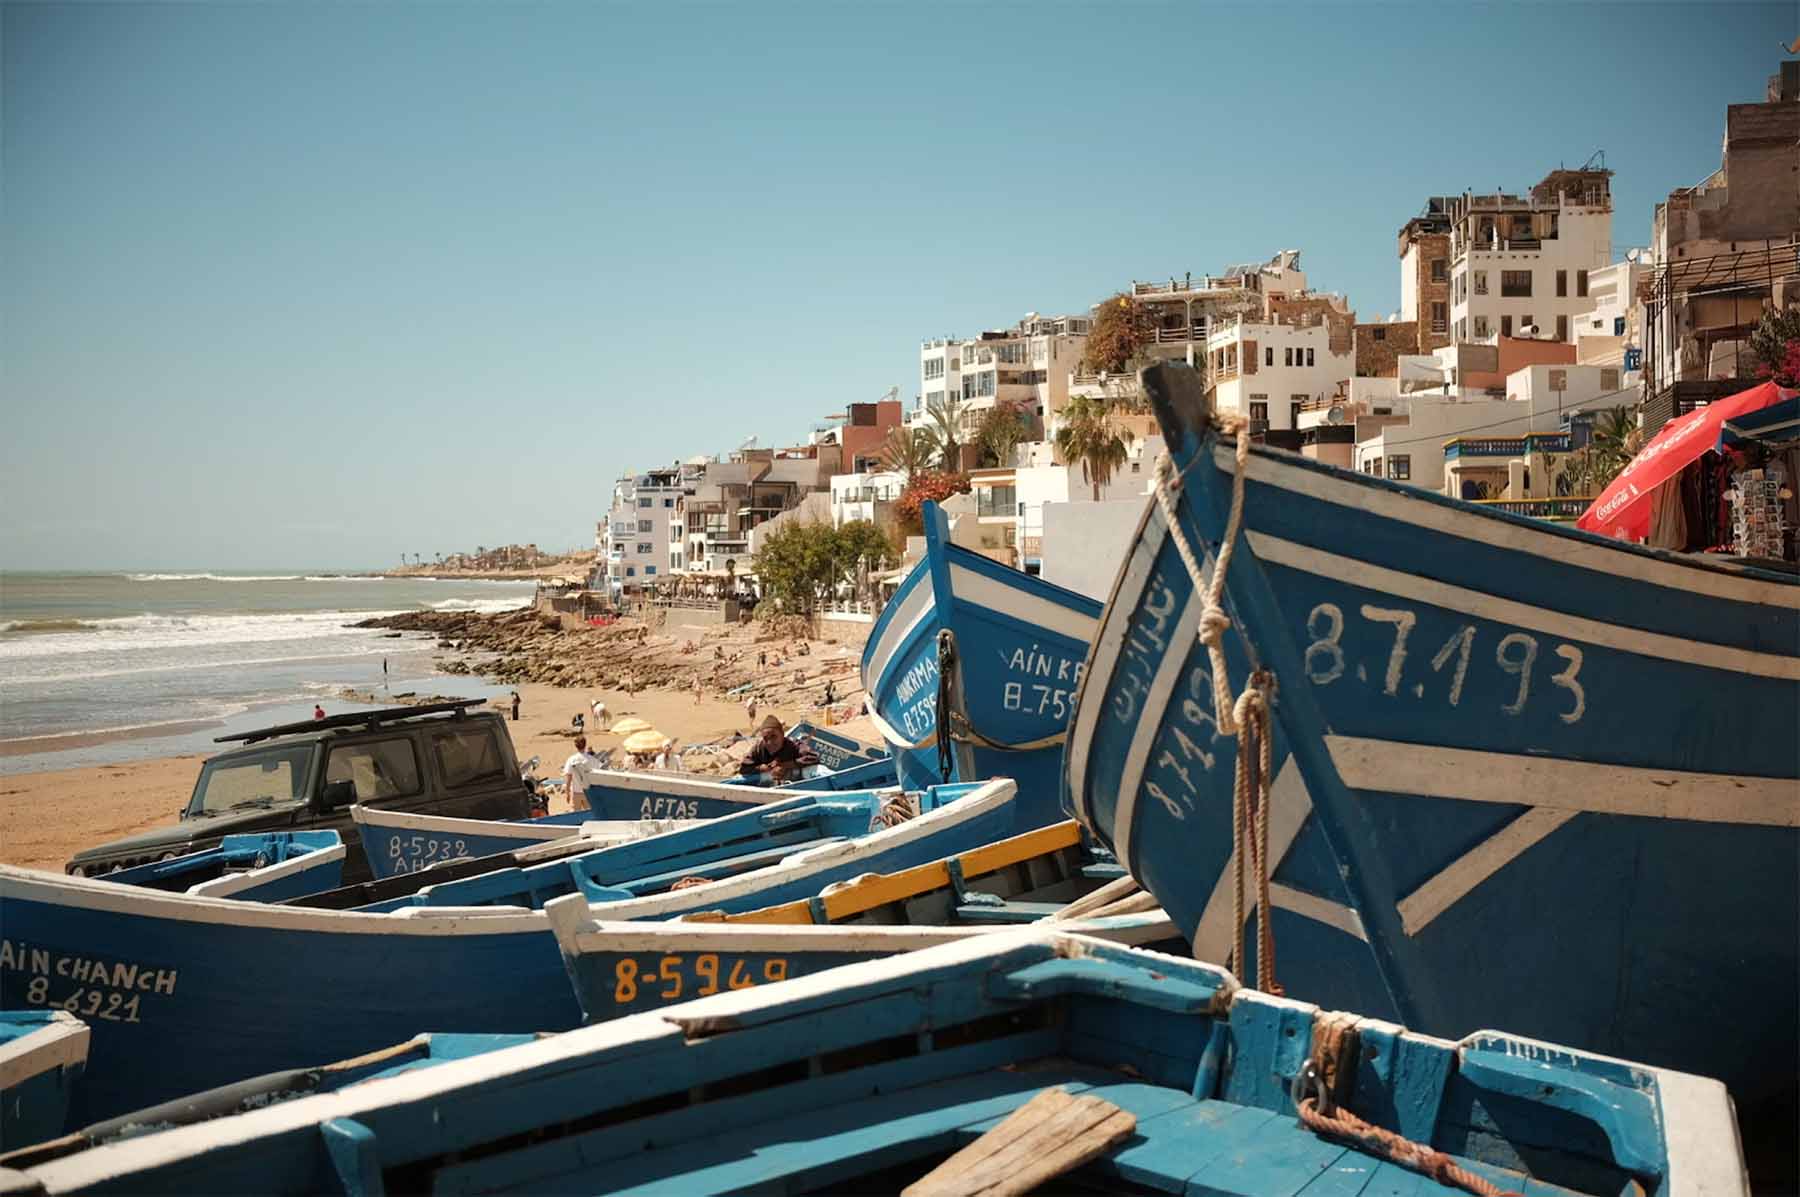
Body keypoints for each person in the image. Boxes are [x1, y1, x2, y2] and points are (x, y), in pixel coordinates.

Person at [738, 716, 819, 783]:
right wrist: (762, 768)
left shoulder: (793, 745)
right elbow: (744, 768)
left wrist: (785, 765)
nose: (770, 742)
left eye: (774, 736)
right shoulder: (759, 748)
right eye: (766, 738)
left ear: (782, 734)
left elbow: (814, 758)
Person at [562, 736, 604, 810]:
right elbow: (598, 775)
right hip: (589, 791)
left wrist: (567, 793)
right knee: (590, 815)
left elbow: (569, 777)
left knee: (576, 816)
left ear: (575, 746)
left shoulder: (571, 759)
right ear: (585, 745)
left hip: (576, 792)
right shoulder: (592, 759)